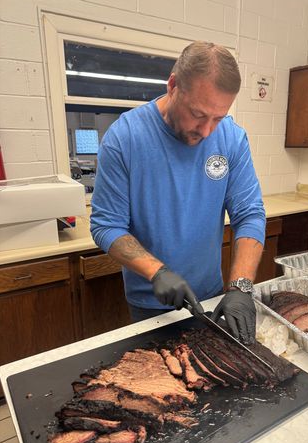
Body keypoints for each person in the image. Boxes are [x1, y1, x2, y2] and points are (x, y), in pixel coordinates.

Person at [91, 41, 266, 344]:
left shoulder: (233, 139)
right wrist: (157, 272)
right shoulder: (125, 138)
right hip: (151, 305)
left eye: (219, 117)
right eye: (198, 114)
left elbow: (249, 213)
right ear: (173, 86)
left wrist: (240, 287)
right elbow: (106, 226)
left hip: (212, 297)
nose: (208, 130)